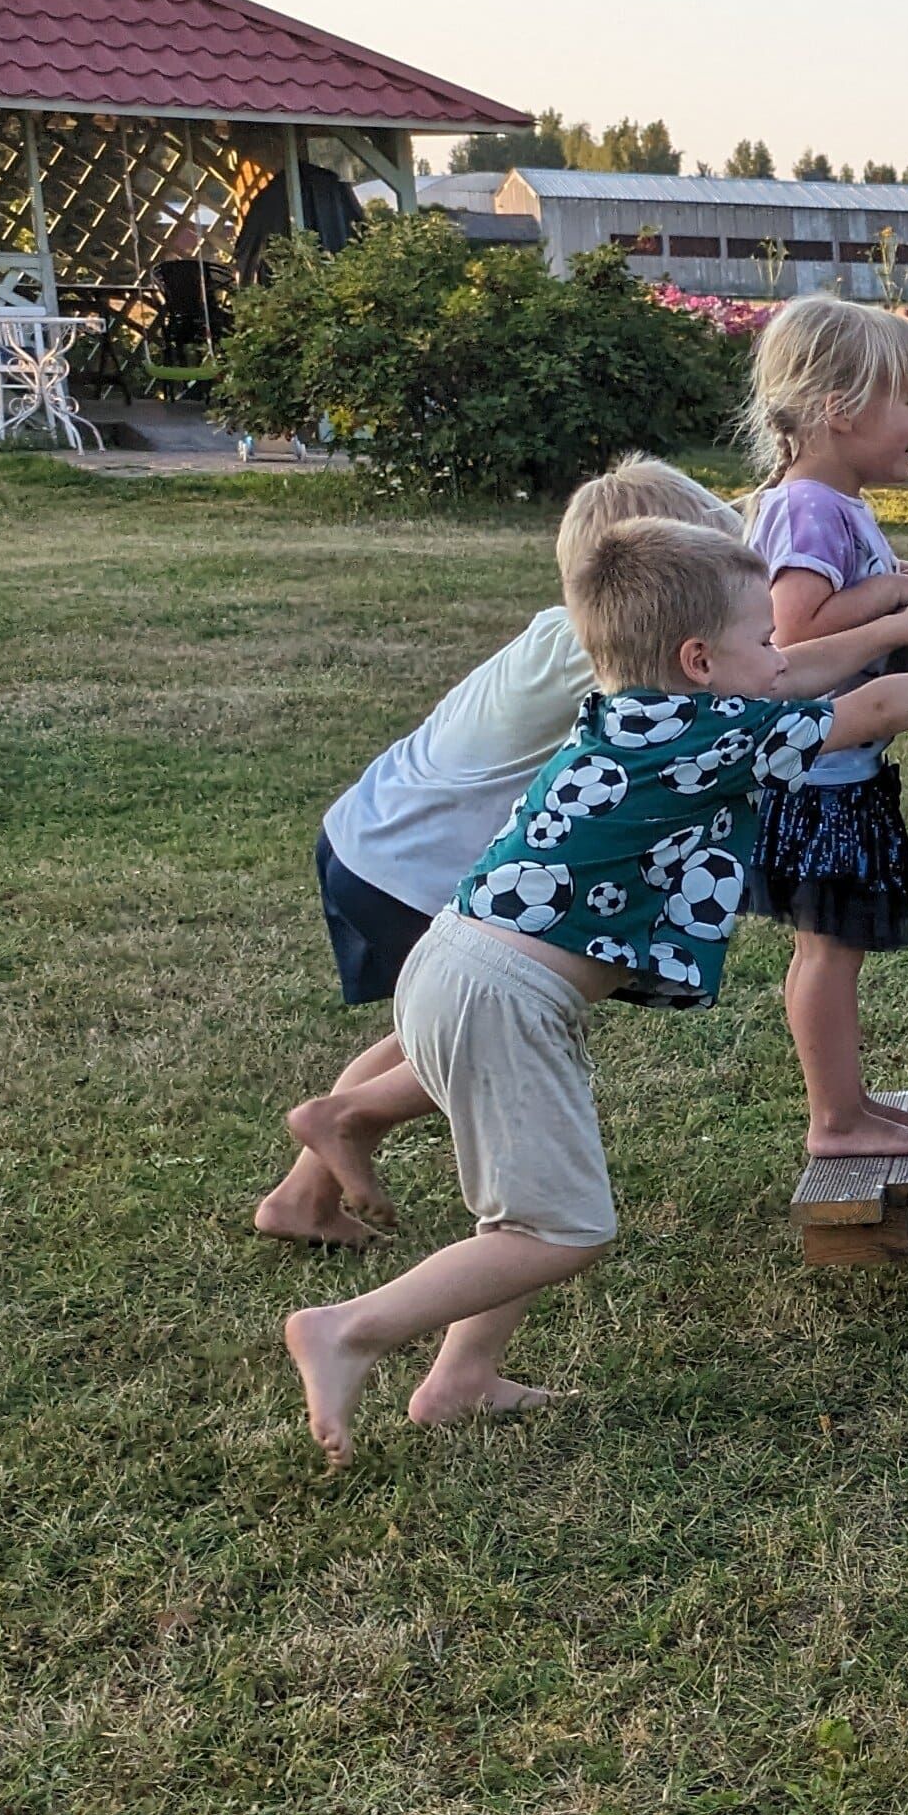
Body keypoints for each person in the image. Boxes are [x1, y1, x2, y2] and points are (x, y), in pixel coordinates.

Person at [283, 522, 908, 1462]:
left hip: (465, 965)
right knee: (563, 1230)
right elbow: (871, 709)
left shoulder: (642, 711)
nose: (781, 654)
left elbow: (798, 673)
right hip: (504, 995)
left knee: (529, 1203)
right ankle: (348, 1329)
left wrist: (898, 622)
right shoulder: (715, 734)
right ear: (698, 658)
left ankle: (463, 1378)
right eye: (762, 637)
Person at [255, 455, 738, 1246]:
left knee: (424, 1036)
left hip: (371, 837)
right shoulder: (606, 652)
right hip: (408, 864)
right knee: (489, 1026)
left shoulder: (564, 632)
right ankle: (343, 1117)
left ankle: (301, 1196)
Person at [743, 296, 908, 1159]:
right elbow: (794, 632)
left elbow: (857, 572)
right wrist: (895, 601)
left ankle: (848, 1104)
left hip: (843, 767)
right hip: (818, 776)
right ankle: (835, 1121)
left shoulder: (834, 503)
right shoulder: (809, 506)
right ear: (839, 410)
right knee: (829, 950)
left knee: (836, 946)